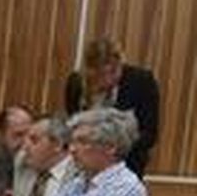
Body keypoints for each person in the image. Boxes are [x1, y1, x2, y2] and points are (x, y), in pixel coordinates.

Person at [65, 37, 159, 176]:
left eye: (113, 72)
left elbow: (149, 133)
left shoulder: (141, 81)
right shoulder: (76, 83)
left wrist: (114, 149)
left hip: (127, 162)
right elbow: (73, 124)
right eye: (100, 75)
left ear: (121, 64)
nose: (108, 80)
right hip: (83, 161)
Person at [12, 113, 75, 196]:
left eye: (34, 140)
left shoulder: (78, 176)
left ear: (57, 145)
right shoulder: (22, 164)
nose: (25, 147)